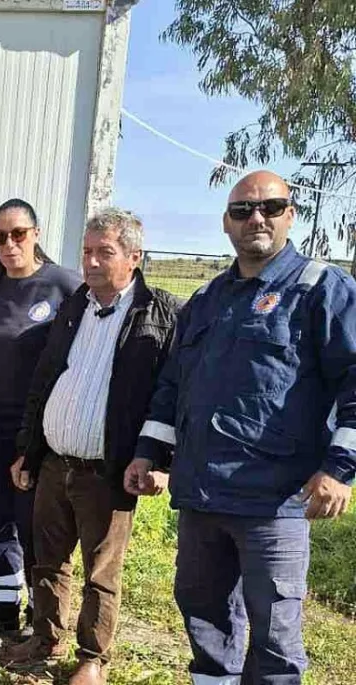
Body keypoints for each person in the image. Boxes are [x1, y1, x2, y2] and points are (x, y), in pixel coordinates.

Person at [127, 170, 356, 685]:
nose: (257, 218)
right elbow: (173, 386)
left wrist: (340, 469)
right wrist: (149, 453)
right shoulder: (208, 300)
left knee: (275, 638)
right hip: (202, 497)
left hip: (274, 502)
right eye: (243, 210)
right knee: (203, 620)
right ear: (226, 225)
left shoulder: (322, 290)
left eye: (271, 207)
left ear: (290, 215)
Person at [5, 208, 179, 685]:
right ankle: (45, 638)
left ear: (134, 257)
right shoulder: (75, 304)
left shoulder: (158, 314)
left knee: (100, 570)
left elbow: (175, 394)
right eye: (87, 251)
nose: (92, 262)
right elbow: (44, 380)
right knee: (47, 559)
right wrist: (29, 449)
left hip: (109, 469)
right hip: (55, 461)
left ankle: (92, 658)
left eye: (105, 252)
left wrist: (162, 460)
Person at [0, 199, 81, 637]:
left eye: (18, 234)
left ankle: (38, 617)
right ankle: (0, 607)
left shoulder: (64, 285)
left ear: (36, 233)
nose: (9, 244)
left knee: (33, 524)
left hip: (40, 433)